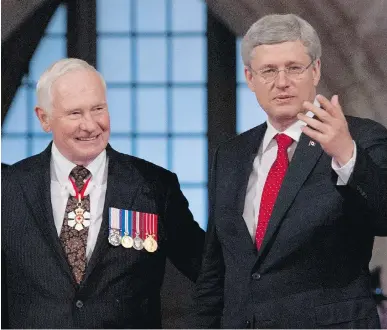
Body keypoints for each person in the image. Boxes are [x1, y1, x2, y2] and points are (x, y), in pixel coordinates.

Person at [189, 14, 387, 329]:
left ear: (316, 70)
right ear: (250, 78)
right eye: (268, 71)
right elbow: (217, 271)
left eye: (294, 68)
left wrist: (347, 156)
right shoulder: (230, 155)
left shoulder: (359, 138)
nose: (282, 82)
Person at [1, 58, 205, 329]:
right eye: (75, 113)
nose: (90, 125)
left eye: (98, 109)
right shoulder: (8, 188)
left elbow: (210, 274)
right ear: (44, 118)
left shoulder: (155, 186)